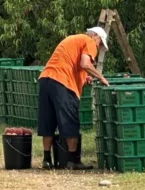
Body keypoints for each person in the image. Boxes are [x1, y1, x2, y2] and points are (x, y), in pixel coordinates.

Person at [38, 27, 110, 170]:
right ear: (95, 36)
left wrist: (84, 77)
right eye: (100, 43)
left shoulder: (73, 39)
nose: (98, 46)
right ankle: (72, 161)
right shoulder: (89, 41)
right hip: (63, 83)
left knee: (48, 121)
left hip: (46, 79)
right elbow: (85, 63)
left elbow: (69, 63)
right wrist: (101, 78)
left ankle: (46, 160)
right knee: (70, 120)